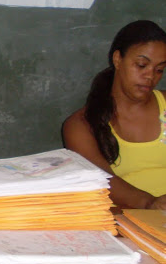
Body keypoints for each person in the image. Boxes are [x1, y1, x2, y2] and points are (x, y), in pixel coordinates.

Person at [63, 20, 166, 209]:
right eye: (142, 65)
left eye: (159, 69)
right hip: (129, 225)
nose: (151, 76)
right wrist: (150, 204)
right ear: (118, 59)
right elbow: (102, 180)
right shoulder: (81, 125)